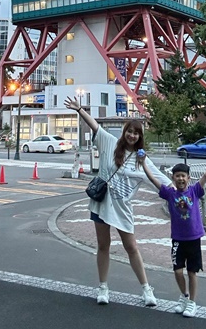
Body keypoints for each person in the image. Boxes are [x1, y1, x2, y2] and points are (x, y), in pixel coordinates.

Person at [64, 95, 171, 307]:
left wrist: (185, 192)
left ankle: (146, 289)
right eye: (129, 131)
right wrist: (80, 110)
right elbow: (95, 127)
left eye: (136, 133)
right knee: (103, 245)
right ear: (124, 133)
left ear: (140, 137)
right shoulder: (111, 143)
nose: (132, 135)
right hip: (103, 201)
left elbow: (161, 179)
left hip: (122, 207)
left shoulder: (142, 160)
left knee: (131, 247)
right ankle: (103, 287)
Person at [140, 148, 206, 318]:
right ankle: (184, 297)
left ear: (188, 178)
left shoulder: (194, 191)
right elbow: (152, 179)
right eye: (177, 175)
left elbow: (205, 177)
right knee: (178, 271)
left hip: (194, 238)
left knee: (192, 272)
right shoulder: (170, 194)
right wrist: (143, 164)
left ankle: (192, 303)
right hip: (177, 239)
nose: (180, 178)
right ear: (173, 178)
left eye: (183, 176)